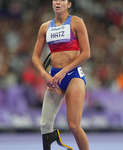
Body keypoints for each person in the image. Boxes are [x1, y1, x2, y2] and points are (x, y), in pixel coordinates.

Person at [32, 0, 90, 150]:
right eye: (55, 0)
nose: (58, 2)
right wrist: (44, 74)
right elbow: (35, 57)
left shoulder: (77, 22)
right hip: (54, 78)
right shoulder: (45, 27)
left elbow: (86, 53)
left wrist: (65, 71)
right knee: (45, 125)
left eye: (62, 0)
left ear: (69, 4)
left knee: (74, 126)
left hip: (73, 76)